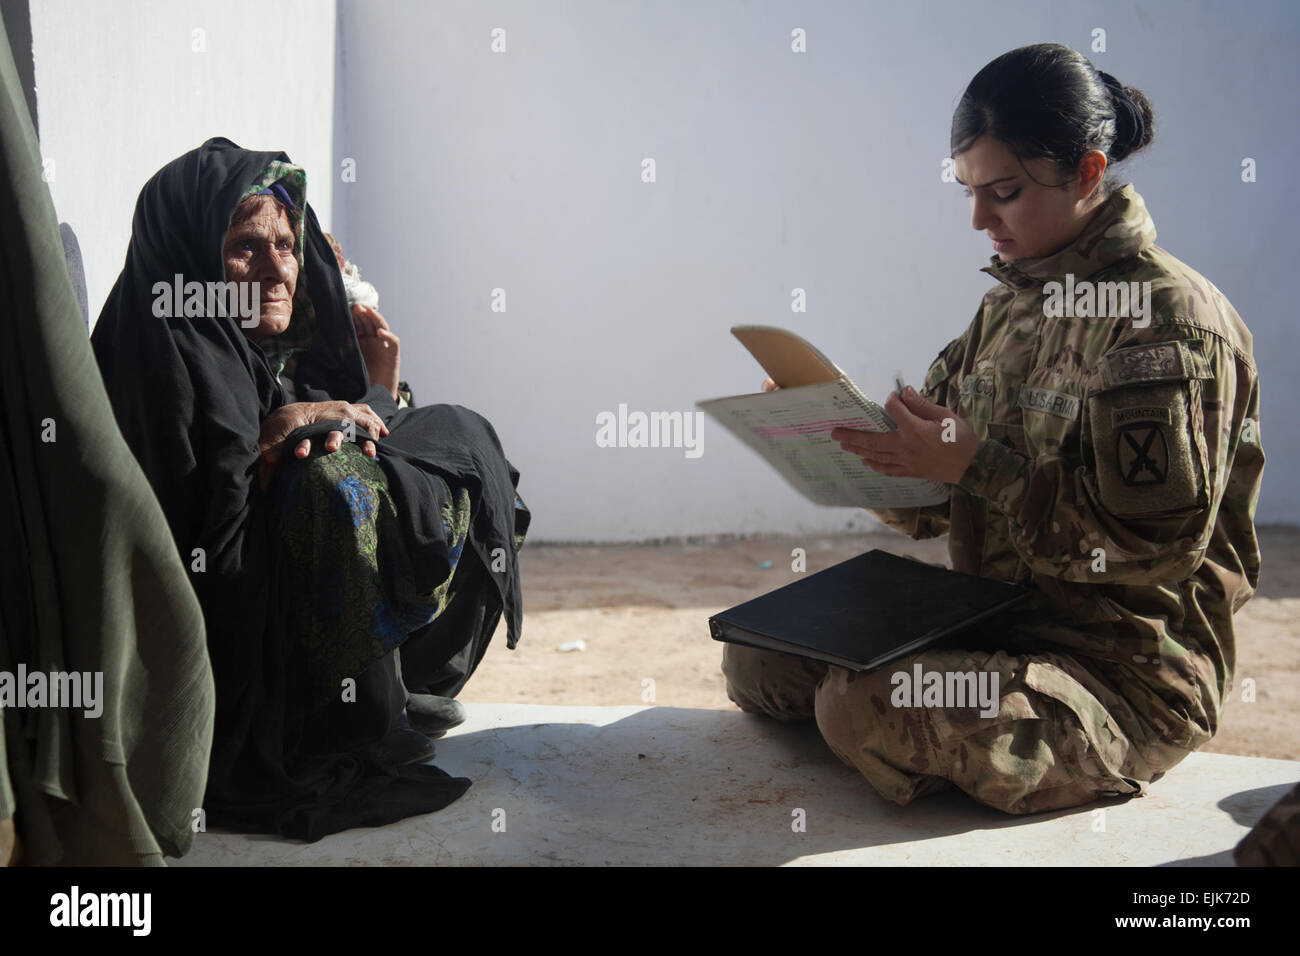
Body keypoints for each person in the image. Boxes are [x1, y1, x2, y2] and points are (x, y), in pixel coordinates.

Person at [723, 43, 1264, 815]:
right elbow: (928, 503)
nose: (980, 219)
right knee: (756, 658)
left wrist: (980, 467)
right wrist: (844, 436)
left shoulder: (1168, 326)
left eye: (1004, 192)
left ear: (1086, 171)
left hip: (1120, 675)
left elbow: (1151, 551)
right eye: (969, 192)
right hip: (995, 624)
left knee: (857, 706)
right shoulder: (1011, 306)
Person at [92, 137, 530, 841]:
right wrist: (282, 432)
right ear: (193, 250)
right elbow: (202, 553)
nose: (276, 270)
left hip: (279, 625)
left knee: (452, 437)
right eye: (245, 246)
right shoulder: (163, 352)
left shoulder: (234, 347)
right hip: (228, 670)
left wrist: (376, 390)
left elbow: (331, 421)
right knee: (330, 479)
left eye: (287, 246)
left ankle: (389, 685)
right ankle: (346, 715)